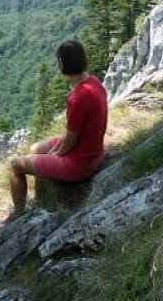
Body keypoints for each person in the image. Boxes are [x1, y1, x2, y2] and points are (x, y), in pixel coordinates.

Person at [8, 40, 108, 216]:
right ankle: (40, 192)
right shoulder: (94, 83)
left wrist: (56, 153)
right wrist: (53, 150)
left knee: (16, 165)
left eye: (58, 60)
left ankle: (18, 213)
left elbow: (71, 139)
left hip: (80, 165)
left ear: (63, 62)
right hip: (94, 153)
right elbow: (76, 133)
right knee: (35, 149)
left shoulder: (77, 98)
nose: (57, 64)